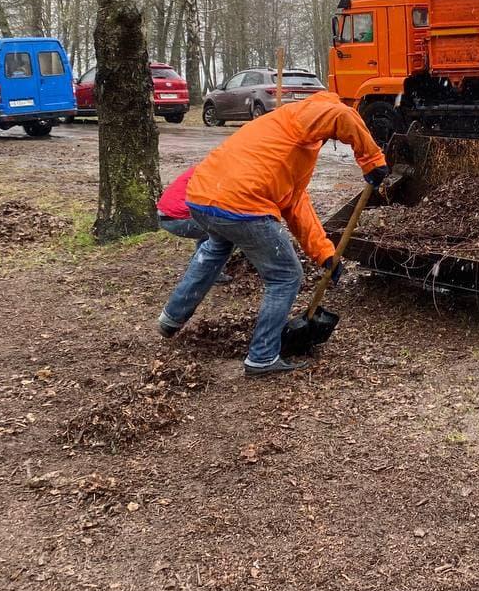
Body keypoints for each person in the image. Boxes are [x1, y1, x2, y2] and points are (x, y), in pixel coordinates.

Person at [157, 91, 387, 378]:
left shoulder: (286, 141)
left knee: (215, 250)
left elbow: (296, 205)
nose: (329, 138)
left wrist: (325, 255)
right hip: (242, 202)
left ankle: (171, 318)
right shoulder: (302, 116)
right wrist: (372, 160)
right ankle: (263, 357)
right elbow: (342, 116)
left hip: (203, 197)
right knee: (285, 275)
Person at [157, 164, 231, 284]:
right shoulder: (224, 172)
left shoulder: (211, 165)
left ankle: (199, 265)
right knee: (229, 231)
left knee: (213, 230)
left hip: (166, 215)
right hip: (178, 218)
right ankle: (207, 270)